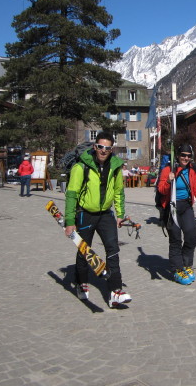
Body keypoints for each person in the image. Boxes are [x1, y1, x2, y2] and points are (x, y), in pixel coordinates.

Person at [64, 132, 132, 308]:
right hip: (85, 213)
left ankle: (115, 291)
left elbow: (118, 191)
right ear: (95, 147)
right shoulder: (81, 167)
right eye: (100, 147)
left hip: (105, 215)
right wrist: (69, 221)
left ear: (111, 149)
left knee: (113, 251)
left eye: (107, 148)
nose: (103, 151)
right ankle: (81, 282)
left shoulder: (115, 167)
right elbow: (71, 194)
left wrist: (120, 214)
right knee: (84, 250)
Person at [157, 144, 196, 285]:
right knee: (175, 239)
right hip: (171, 208)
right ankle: (177, 269)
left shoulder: (192, 170)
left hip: (186, 207)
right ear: (178, 155)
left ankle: (187, 265)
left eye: (188, 156)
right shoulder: (168, 170)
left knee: (191, 236)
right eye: (183, 155)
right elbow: (161, 189)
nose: (185, 158)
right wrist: (168, 180)